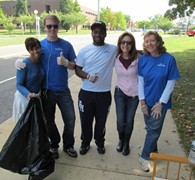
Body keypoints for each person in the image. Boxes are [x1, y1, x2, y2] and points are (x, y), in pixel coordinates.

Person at [16, 14, 77, 159]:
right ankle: (54, 145)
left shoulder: (66, 45)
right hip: (46, 92)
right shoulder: (40, 45)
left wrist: (66, 63)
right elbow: (31, 58)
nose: (52, 29)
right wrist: (19, 62)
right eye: (49, 26)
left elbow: (75, 66)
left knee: (71, 119)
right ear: (44, 27)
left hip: (63, 90)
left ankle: (68, 145)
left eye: (55, 26)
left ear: (58, 26)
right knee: (49, 121)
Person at [138, 31, 180, 172]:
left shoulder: (169, 59)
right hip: (147, 101)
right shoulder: (143, 59)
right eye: (146, 41)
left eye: (152, 40)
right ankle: (152, 149)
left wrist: (160, 103)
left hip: (160, 104)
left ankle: (144, 157)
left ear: (158, 42)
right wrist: (142, 101)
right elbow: (140, 81)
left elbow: (171, 83)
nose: (149, 43)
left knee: (153, 130)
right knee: (151, 129)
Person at [75, 21, 117, 155]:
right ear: (92, 33)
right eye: (95, 32)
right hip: (86, 94)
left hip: (103, 94)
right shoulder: (84, 50)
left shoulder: (113, 49)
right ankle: (85, 143)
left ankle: (100, 142)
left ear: (105, 33)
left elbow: (131, 50)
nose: (98, 34)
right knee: (85, 122)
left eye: (101, 32)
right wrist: (87, 76)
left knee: (101, 122)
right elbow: (77, 69)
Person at [114, 32, 140, 156]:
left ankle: (126, 143)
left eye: (129, 42)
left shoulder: (139, 58)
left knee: (129, 121)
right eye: (123, 42)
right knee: (120, 121)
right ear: (120, 44)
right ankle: (120, 139)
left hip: (134, 95)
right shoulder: (115, 57)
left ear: (132, 44)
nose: (126, 44)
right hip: (120, 93)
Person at [13, 37, 44, 123]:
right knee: (24, 128)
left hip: (35, 98)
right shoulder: (23, 64)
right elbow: (18, 84)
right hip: (24, 99)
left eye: (37, 48)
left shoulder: (41, 60)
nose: (35, 51)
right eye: (32, 49)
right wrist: (28, 94)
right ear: (28, 51)